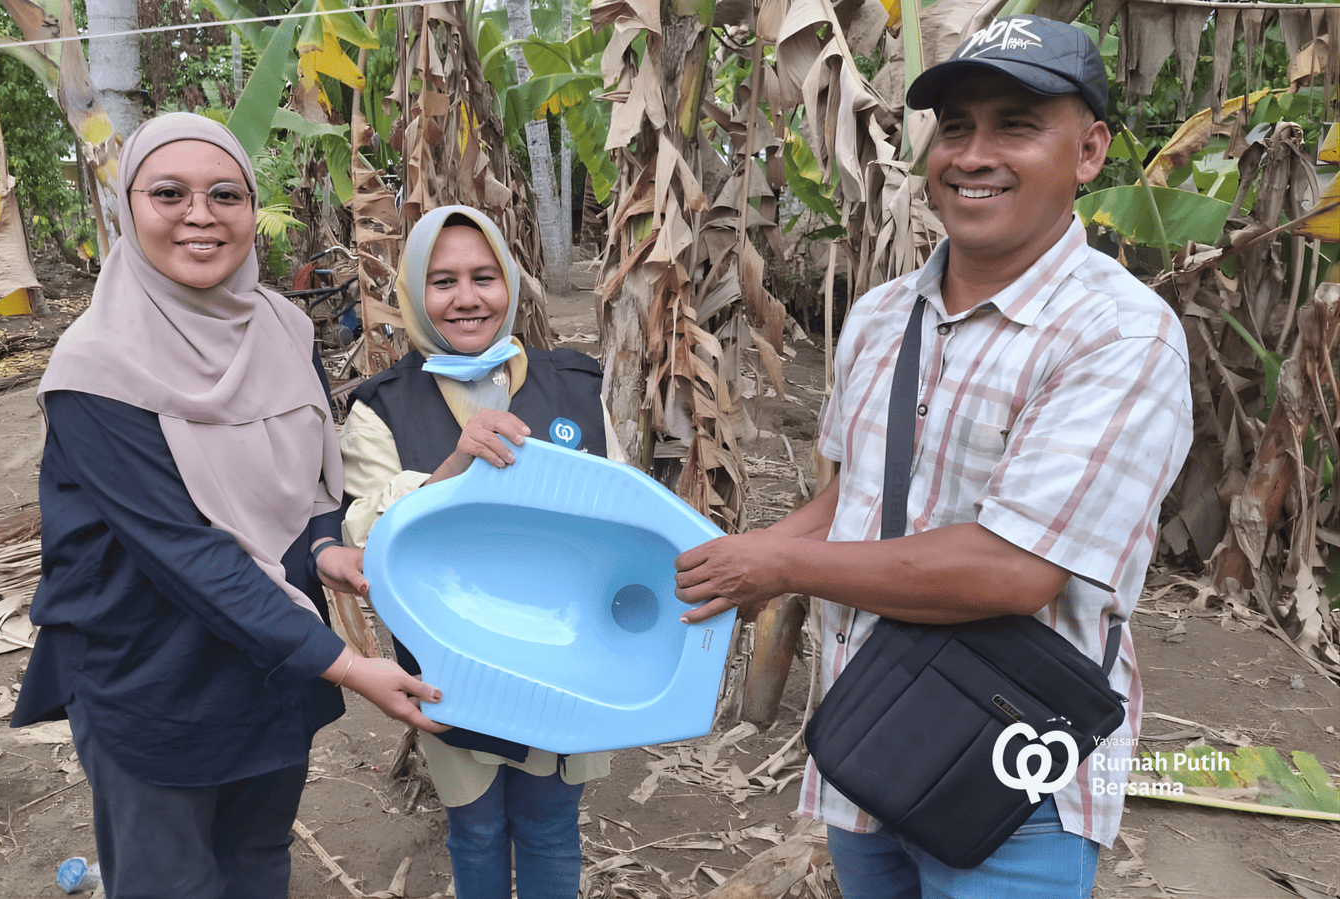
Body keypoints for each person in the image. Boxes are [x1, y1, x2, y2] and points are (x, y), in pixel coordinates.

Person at [674, 16, 1192, 899]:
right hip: (868, 740)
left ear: (1091, 150)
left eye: (1015, 124)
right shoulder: (879, 319)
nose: (973, 153)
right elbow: (852, 500)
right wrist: (741, 562)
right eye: (955, 126)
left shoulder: (1120, 335)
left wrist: (785, 561)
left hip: (1014, 768)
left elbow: (1012, 571)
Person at [9, 112, 444, 899]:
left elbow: (308, 480)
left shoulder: (281, 327)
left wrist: (323, 548)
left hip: (271, 661)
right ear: (126, 208)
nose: (200, 214)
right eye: (169, 192)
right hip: (153, 671)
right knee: (169, 880)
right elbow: (186, 551)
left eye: (226, 193)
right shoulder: (96, 367)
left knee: (256, 859)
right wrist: (349, 665)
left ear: (250, 208)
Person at [334, 205, 617, 898]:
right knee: (478, 829)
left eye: (484, 276)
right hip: (453, 663)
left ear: (511, 285)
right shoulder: (380, 407)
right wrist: (454, 466)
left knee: (551, 828)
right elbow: (363, 536)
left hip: (561, 655)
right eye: (443, 280)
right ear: (413, 293)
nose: (466, 297)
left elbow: (621, 504)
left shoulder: (577, 385)